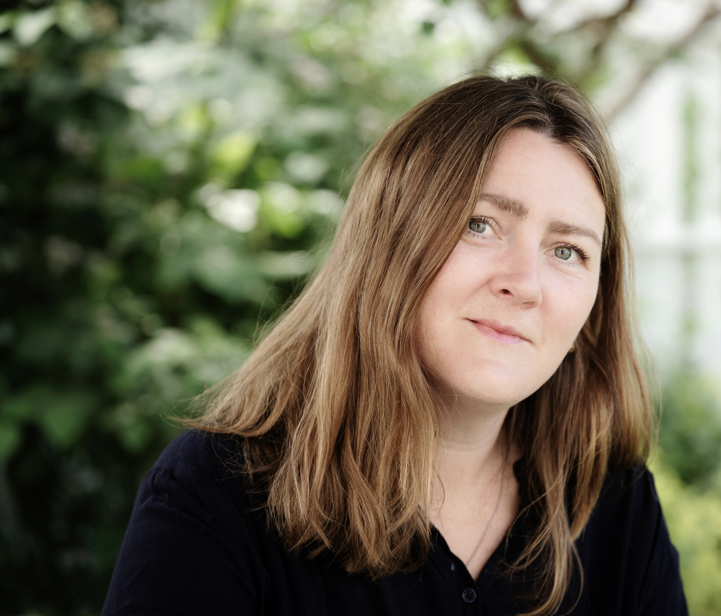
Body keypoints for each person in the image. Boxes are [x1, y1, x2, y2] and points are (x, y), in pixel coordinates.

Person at [101, 75, 687, 616]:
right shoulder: (218, 495)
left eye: (567, 251)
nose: (525, 284)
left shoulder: (617, 507)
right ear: (390, 241)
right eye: (479, 224)